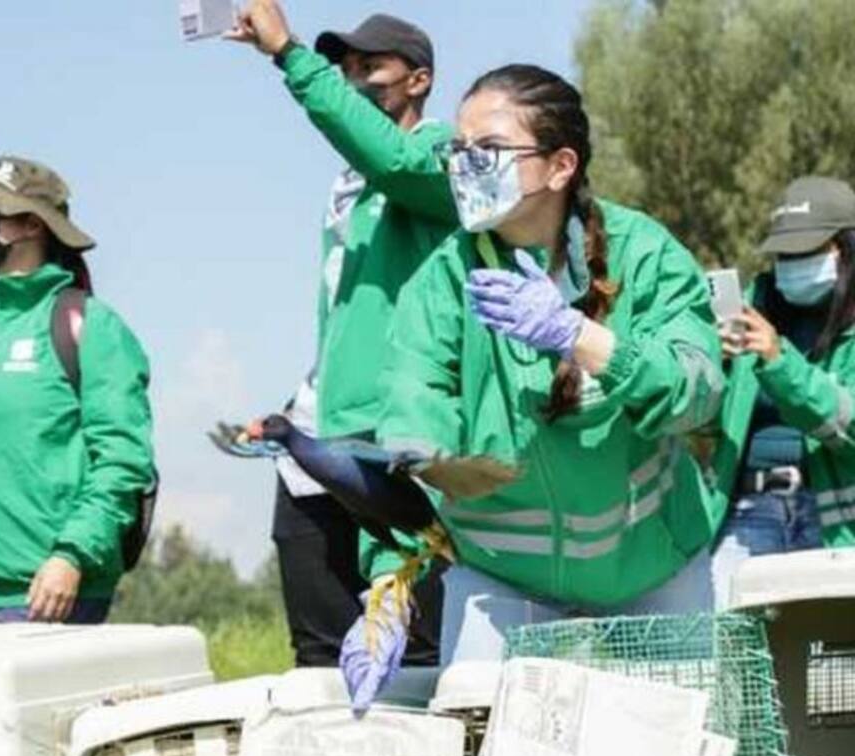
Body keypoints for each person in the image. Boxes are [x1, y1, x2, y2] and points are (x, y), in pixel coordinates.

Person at [344, 64, 725, 696]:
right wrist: (390, 583)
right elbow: (411, 428)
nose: (465, 167)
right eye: (458, 151)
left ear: (560, 166)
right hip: (501, 574)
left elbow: (697, 393)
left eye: (489, 150)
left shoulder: (644, 254)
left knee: (684, 741)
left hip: (652, 564)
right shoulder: (442, 282)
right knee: (480, 725)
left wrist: (581, 337)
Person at [228, 0, 458, 666]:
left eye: (370, 68)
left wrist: (290, 55)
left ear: (418, 79)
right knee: (322, 655)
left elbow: (395, 162)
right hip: (327, 421)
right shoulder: (349, 183)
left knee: (414, 645)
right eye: (346, 70)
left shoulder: (441, 155)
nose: (355, 80)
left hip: (397, 430)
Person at [0, 156, 155, 627]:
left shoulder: (89, 325)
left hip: (41, 594)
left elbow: (122, 462)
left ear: (33, 225)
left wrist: (72, 555)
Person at [710, 176, 855, 601]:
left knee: (829, 638)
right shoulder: (754, 306)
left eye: (806, 252)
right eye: (784, 255)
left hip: (833, 520)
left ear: (845, 248)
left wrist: (778, 361)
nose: (792, 265)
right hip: (750, 509)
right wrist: (713, 365)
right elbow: (701, 428)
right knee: (727, 628)